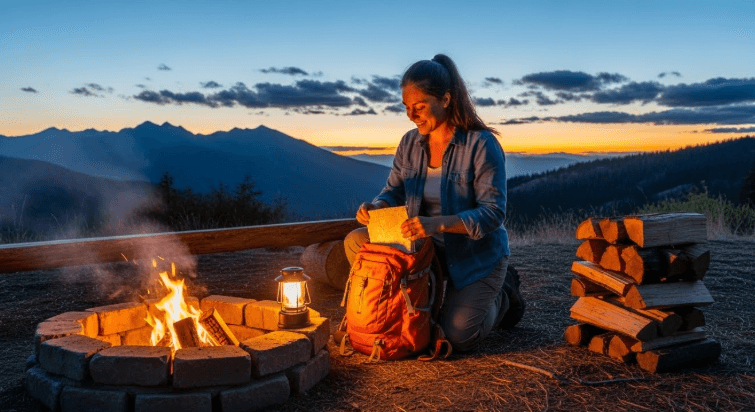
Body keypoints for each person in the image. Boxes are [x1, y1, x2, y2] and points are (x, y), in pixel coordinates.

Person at [343, 54, 524, 352]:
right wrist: (376, 207)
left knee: (456, 336)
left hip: (472, 255)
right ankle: (413, 299)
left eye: (420, 106)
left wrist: (436, 223)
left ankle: (503, 293)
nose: (411, 115)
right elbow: (393, 191)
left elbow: (493, 213)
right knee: (355, 242)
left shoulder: (481, 144)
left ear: (446, 99)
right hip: (422, 248)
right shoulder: (409, 143)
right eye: (406, 108)